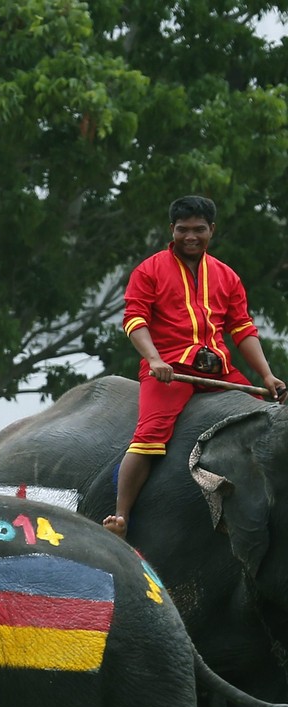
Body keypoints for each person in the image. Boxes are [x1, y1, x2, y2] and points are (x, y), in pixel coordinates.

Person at [105, 195, 287, 537]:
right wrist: (154, 359)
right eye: (183, 230)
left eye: (199, 229)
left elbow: (242, 328)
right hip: (169, 370)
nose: (191, 236)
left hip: (217, 371)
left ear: (212, 230)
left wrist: (266, 375)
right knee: (149, 437)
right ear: (171, 230)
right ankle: (121, 517)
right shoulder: (149, 270)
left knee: (266, 424)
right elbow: (134, 320)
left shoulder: (226, 276)